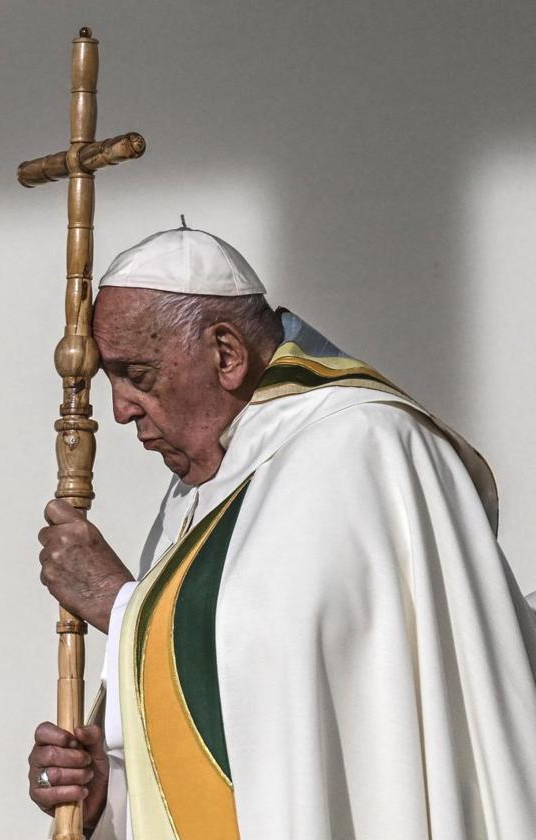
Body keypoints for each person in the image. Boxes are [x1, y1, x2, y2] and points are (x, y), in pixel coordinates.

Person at [26, 224, 536, 840]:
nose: (121, 409)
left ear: (226, 354)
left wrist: (119, 603)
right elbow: (252, 745)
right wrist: (112, 794)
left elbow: (280, 659)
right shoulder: (199, 491)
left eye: (139, 373)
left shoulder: (360, 444)